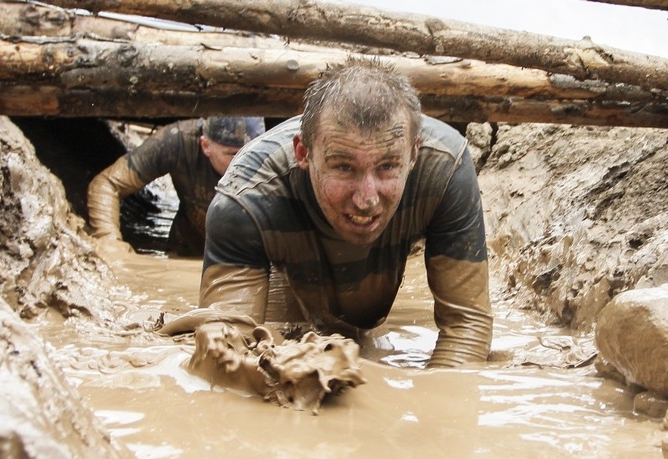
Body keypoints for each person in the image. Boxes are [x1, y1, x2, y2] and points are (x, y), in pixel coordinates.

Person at [199, 58, 492, 368]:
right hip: (287, 269)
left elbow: (466, 327)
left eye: (387, 166)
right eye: (344, 167)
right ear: (303, 153)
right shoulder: (247, 197)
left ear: (413, 154)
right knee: (284, 347)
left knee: (363, 344)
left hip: (369, 301)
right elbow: (227, 354)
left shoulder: (446, 168)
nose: (367, 199)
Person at [87, 116, 265, 256]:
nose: (245, 162)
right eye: (233, 154)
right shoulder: (177, 141)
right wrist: (108, 239)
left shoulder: (276, 151)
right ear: (205, 145)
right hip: (190, 250)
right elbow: (108, 183)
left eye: (253, 152)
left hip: (255, 255)